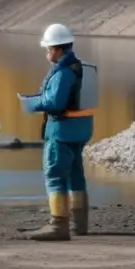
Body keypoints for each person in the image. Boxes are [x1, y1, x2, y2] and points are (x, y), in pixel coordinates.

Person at [17, 24, 96, 241]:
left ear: (58, 49)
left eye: (48, 48)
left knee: (54, 175)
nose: (46, 53)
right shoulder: (79, 67)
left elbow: (55, 101)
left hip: (61, 131)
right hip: (80, 129)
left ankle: (58, 225)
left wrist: (30, 104)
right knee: (75, 175)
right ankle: (80, 224)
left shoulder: (63, 73)